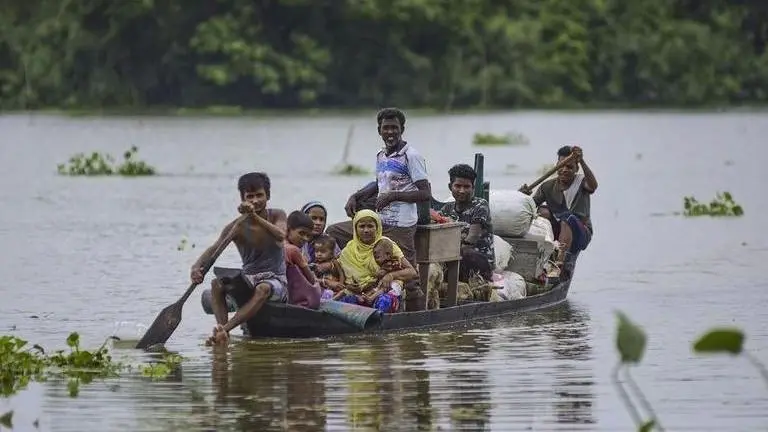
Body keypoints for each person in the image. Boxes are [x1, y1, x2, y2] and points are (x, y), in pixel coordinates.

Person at [326, 108, 431, 267]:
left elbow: (425, 193)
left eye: (394, 128)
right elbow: (378, 184)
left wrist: (393, 196)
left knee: (406, 271)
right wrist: (355, 196)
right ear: (379, 131)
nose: (390, 132)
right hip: (379, 222)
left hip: (401, 225)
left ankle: (414, 292)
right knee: (334, 232)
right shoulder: (381, 155)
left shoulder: (411, 156)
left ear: (402, 129)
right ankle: (350, 276)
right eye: (386, 128)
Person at [192, 172, 288, 346]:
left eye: (259, 195)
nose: (255, 200)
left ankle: (225, 329)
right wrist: (196, 267)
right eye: (250, 197)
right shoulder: (236, 226)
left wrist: (254, 217)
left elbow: (281, 235)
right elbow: (215, 248)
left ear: (268, 195)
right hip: (248, 279)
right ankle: (221, 331)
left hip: (276, 281)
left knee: (263, 288)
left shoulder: (277, 215)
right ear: (242, 199)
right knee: (216, 284)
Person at [520, 145, 597, 278]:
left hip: (580, 233)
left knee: (566, 218)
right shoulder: (547, 186)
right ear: (557, 165)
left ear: (576, 169)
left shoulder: (582, 182)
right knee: (541, 212)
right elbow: (531, 207)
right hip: (557, 232)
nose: (564, 170)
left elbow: (593, 186)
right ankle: (543, 254)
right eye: (561, 166)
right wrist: (523, 197)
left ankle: (559, 262)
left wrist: (582, 161)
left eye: (570, 167)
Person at [336, 210, 418, 313]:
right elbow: (341, 278)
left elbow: (412, 272)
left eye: (370, 226)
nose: (366, 230)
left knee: (383, 302)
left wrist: (391, 276)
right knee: (345, 302)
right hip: (359, 295)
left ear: (377, 227)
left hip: (382, 292)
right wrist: (350, 287)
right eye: (361, 226)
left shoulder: (386, 244)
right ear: (355, 229)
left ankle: (381, 327)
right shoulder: (348, 251)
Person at [439, 164, 495, 282]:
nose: (462, 191)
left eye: (466, 187)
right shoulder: (446, 209)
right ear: (450, 187)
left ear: (473, 187)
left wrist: (448, 253)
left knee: (465, 253)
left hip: (478, 261)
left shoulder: (480, 205)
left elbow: (472, 238)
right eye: (458, 186)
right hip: (454, 257)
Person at [284, 211, 317, 286]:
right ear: (288, 229)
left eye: (308, 236)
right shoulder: (293, 249)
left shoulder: (277, 243)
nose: (305, 238)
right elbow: (311, 279)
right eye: (301, 233)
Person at [309, 234, 345, 300]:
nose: (319, 254)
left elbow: (341, 273)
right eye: (316, 251)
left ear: (331, 253)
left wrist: (341, 284)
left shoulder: (334, 262)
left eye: (323, 252)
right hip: (321, 287)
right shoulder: (315, 264)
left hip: (333, 287)